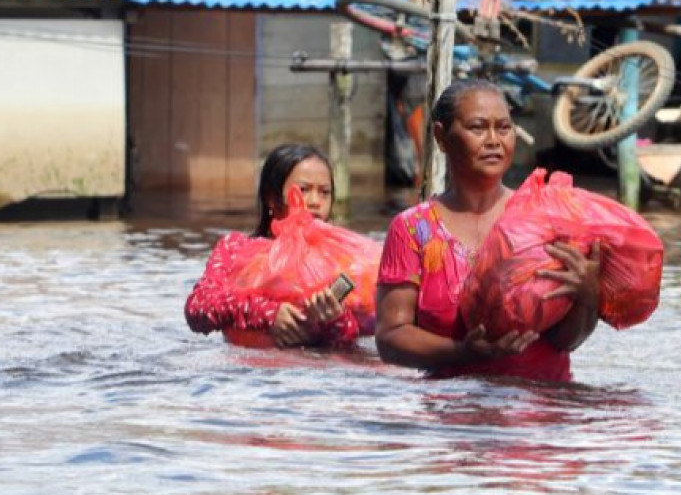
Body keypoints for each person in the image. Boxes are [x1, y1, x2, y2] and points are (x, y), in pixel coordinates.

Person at [375, 79, 602, 382]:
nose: (494, 140)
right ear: (441, 137)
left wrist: (589, 296)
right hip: (451, 414)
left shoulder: (546, 218)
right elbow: (391, 338)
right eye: (478, 128)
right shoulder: (413, 229)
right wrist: (463, 352)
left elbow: (564, 342)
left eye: (504, 128)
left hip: (543, 410)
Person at [185, 143, 359, 348]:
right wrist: (267, 313)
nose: (315, 202)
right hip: (246, 376)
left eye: (325, 192)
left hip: (317, 373)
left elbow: (359, 337)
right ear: (271, 198)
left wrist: (337, 320)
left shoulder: (341, 260)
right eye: (303, 190)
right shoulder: (235, 248)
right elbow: (198, 307)